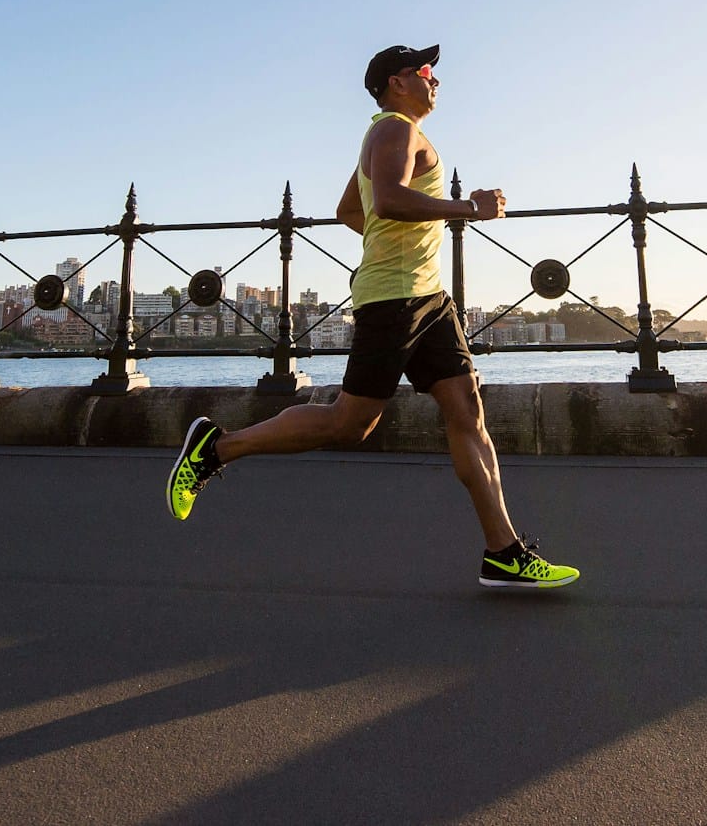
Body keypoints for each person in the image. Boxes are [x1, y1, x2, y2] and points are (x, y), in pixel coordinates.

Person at [167, 44, 579, 590]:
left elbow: (350, 210)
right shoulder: (394, 131)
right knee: (349, 423)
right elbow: (385, 201)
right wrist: (467, 209)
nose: (435, 80)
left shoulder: (395, 133)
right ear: (395, 82)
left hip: (429, 298)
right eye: (424, 71)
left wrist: (396, 248)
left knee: (467, 410)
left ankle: (504, 552)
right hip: (395, 301)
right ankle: (214, 448)